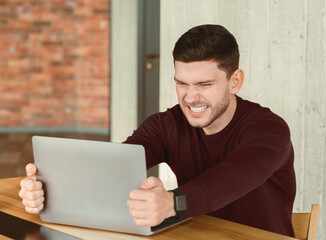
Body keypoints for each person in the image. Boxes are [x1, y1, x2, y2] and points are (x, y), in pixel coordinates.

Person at [19, 24, 296, 237]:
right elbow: (114, 167)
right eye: (182, 84)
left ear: (235, 81)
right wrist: (51, 189)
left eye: (204, 85)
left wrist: (172, 203)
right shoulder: (165, 124)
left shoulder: (270, 131)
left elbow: (229, 179)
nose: (191, 97)